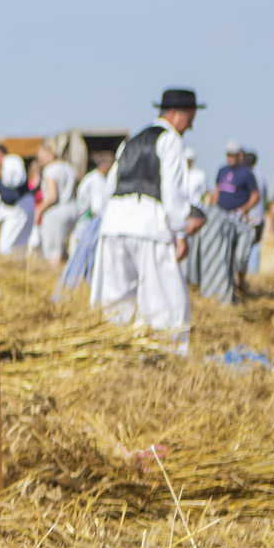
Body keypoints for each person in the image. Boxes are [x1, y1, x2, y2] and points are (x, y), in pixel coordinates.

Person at [90, 88, 205, 352]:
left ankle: (114, 353)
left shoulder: (130, 142)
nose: (192, 124)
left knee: (116, 301)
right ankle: (164, 358)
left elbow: (107, 189)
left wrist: (108, 218)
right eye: (191, 117)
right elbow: (173, 193)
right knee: (165, 301)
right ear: (178, 114)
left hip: (115, 225)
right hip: (149, 226)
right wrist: (180, 233)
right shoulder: (171, 140)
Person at [54, 150, 115, 298]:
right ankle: (78, 294)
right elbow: (97, 209)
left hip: (83, 226)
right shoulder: (98, 182)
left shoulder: (92, 178)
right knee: (84, 265)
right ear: (107, 166)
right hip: (88, 228)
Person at [213, 141, 262, 279]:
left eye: (233, 155)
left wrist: (242, 209)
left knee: (240, 254)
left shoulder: (246, 173)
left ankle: (241, 282)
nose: (229, 158)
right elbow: (216, 191)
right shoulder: (222, 170)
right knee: (222, 252)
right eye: (228, 154)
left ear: (239, 155)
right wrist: (212, 209)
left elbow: (255, 195)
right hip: (221, 217)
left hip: (238, 219)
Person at [0, 143, 35, 257]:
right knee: (17, 247)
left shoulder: (10, 160)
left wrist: (0, 172)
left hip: (19, 210)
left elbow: (14, 181)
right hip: (17, 211)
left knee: (5, 247)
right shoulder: (7, 164)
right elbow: (2, 200)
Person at [34, 144, 79, 263]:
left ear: (49, 155)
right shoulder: (70, 168)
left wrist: (39, 210)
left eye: (41, 157)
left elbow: (52, 197)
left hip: (56, 214)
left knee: (53, 253)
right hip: (73, 210)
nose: (40, 161)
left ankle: (53, 279)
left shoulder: (50, 170)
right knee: (66, 250)